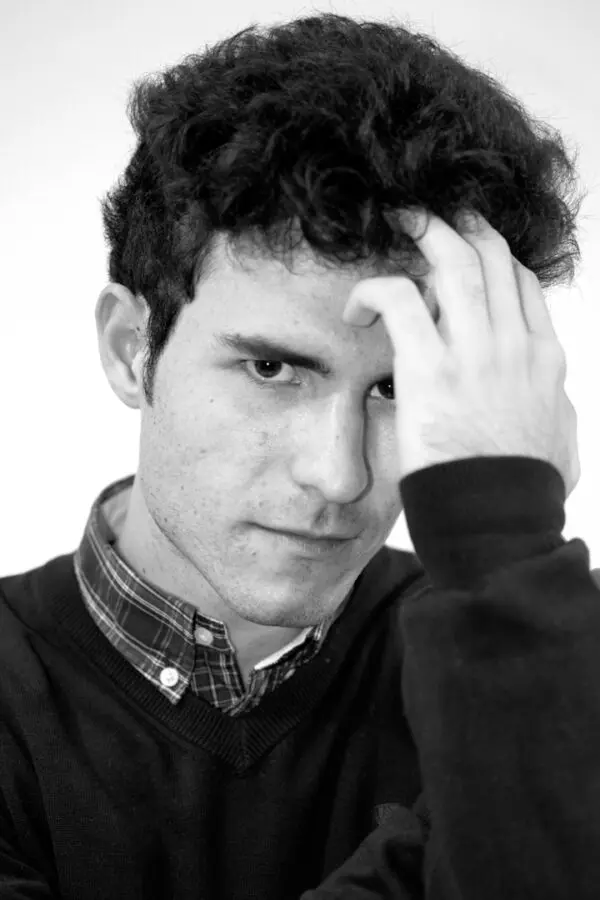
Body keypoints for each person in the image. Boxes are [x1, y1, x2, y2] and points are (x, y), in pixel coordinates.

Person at [1, 11, 598, 900]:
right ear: (132, 349)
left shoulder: (545, 646)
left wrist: (503, 545)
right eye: (272, 369)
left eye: (398, 387)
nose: (339, 474)